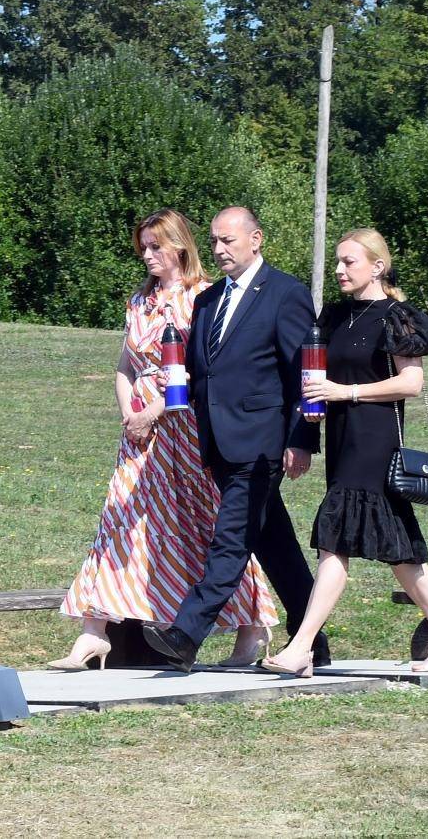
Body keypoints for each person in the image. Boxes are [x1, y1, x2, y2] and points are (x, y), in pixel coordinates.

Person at [53, 210, 278, 670]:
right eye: (144, 248)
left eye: (156, 246)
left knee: (210, 527)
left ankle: (252, 627)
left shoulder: (204, 297)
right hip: (139, 432)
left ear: (179, 246)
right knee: (118, 520)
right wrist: (130, 413)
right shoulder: (141, 300)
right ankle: (93, 631)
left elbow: (203, 370)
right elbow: (125, 364)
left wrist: (157, 410)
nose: (149, 256)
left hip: (186, 427)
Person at [262, 229, 428, 676]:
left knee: (335, 542)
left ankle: (301, 647)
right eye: (337, 261)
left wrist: (345, 391)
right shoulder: (335, 316)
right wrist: (312, 416)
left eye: (349, 262)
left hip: (375, 440)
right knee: (400, 549)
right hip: (342, 437)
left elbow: (411, 384)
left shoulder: (397, 316)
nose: (339, 270)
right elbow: (315, 372)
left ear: (377, 266)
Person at [143, 207, 329, 672]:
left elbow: (301, 373)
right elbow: (199, 372)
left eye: (229, 241)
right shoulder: (207, 302)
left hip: (262, 442)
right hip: (219, 444)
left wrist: (303, 436)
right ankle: (314, 641)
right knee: (275, 545)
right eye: (215, 243)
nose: (220, 250)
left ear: (256, 239)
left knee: (230, 540)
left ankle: (186, 634)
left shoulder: (285, 294)